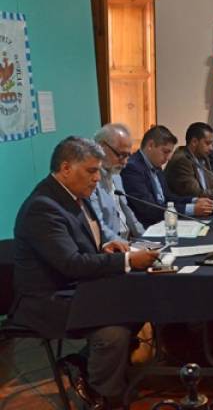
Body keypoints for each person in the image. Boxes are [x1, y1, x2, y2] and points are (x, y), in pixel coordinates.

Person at [9, 136, 157, 408]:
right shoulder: (43, 207)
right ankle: (103, 394)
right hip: (47, 300)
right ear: (66, 168)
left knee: (138, 300)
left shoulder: (75, 195)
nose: (96, 179)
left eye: (98, 171)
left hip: (75, 287)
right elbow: (71, 264)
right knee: (113, 331)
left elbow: (79, 247)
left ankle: (84, 366)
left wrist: (105, 247)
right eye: (91, 171)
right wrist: (127, 261)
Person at [121, 125, 213, 227]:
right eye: (165, 152)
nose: (168, 158)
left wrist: (194, 200)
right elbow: (149, 209)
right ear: (150, 145)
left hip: (164, 222)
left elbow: (168, 197)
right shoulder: (133, 168)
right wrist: (191, 209)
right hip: (149, 228)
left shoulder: (156, 165)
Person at [89, 123, 145, 243]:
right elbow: (99, 226)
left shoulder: (116, 174)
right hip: (111, 247)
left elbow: (128, 213)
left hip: (129, 242)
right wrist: (126, 246)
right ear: (101, 147)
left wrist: (146, 239)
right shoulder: (90, 180)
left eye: (128, 156)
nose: (125, 162)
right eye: (121, 155)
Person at [165, 122, 213, 198]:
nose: (211, 148)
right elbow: (196, 193)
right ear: (194, 142)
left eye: (212, 144)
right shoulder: (182, 160)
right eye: (207, 143)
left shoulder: (204, 158)